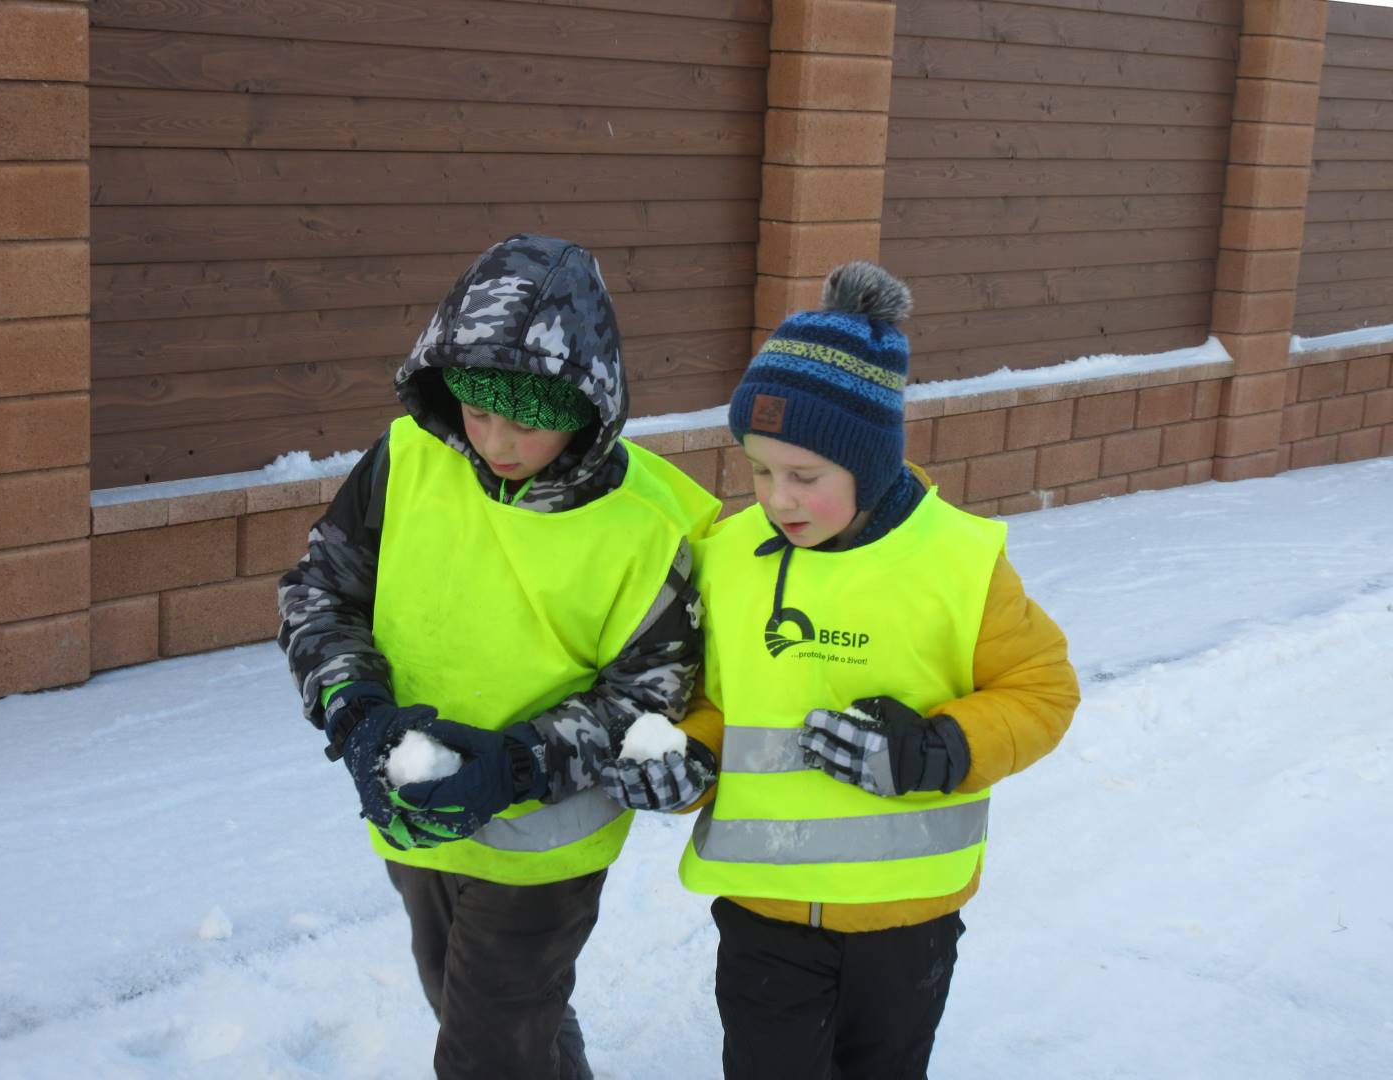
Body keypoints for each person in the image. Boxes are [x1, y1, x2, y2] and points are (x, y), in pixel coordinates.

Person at [601, 261, 1080, 1079]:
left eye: (805, 476)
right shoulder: (728, 558)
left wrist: (937, 749)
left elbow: (1043, 691)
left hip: (908, 920)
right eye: (759, 469)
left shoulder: (958, 563)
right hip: (764, 912)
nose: (777, 498)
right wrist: (690, 759)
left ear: (871, 462)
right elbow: (714, 700)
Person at [277, 234, 721, 1080]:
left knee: (486, 1050)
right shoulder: (407, 457)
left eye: (527, 423)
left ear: (586, 409)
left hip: (545, 843)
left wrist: (511, 766)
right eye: (478, 413)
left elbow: (647, 697)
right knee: (466, 1002)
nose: (497, 443)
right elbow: (321, 592)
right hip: (412, 809)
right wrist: (356, 713)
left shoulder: (648, 524)